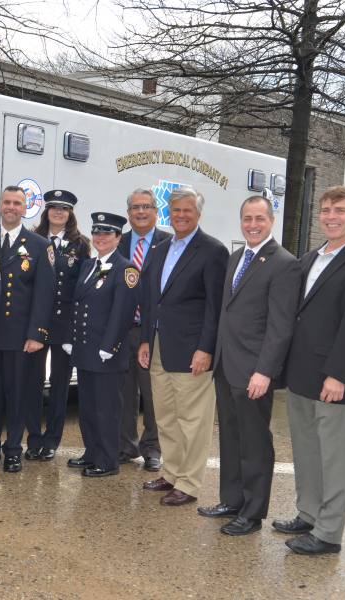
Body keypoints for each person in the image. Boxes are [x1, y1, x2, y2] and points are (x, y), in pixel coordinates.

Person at [273, 186, 345, 555]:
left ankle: (328, 533)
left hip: (332, 377)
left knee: (333, 457)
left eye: (339, 211)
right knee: (307, 450)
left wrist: (338, 374)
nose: (331, 216)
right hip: (301, 372)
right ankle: (309, 512)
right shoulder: (310, 258)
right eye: (326, 210)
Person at [198, 196, 300, 535]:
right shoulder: (236, 257)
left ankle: (253, 513)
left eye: (259, 218)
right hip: (227, 365)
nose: (252, 224)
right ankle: (232, 500)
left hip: (254, 370)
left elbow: (281, 326)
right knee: (229, 436)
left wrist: (265, 371)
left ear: (271, 221)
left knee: (255, 442)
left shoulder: (283, 263)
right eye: (246, 218)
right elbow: (227, 311)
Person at [138, 186, 228, 506]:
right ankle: (171, 472)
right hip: (161, 345)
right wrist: (146, 339)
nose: (181, 215)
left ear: (198, 214)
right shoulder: (161, 248)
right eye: (175, 210)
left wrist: (206, 349)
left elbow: (216, 308)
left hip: (193, 351)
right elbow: (152, 300)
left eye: (187, 210)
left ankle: (189, 484)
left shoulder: (213, 251)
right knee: (165, 415)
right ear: (168, 213)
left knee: (193, 420)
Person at [0, 186, 55, 473]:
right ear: (0, 204)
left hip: (19, 337)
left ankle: (13, 450)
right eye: (7, 201)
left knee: (17, 395)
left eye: (17, 203)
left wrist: (37, 333)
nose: (11, 207)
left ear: (25, 208)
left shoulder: (40, 245)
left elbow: (44, 294)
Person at [62, 212, 139, 476]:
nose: (100, 238)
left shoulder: (126, 269)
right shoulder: (87, 266)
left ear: (118, 238)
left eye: (107, 233)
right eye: (97, 233)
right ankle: (91, 452)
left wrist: (110, 345)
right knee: (88, 408)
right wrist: (70, 339)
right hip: (85, 350)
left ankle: (107, 461)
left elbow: (123, 311)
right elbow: (77, 305)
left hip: (106, 352)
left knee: (107, 410)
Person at [25, 190, 91, 461]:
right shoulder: (33, 239)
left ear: (70, 214)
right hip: (36, 322)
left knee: (60, 384)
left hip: (65, 324)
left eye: (64, 209)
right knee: (32, 382)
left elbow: (84, 287)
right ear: (46, 211)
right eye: (53, 208)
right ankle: (33, 438)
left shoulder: (81, 244)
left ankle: (52, 440)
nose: (58, 212)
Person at [116, 188, 171, 472]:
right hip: (122, 330)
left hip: (153, 332)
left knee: (152, 393)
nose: (140, 212)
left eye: (146, 207)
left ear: (155, 211)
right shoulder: (118, 242)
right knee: (124, 392)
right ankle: (126, 446)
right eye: (135, 207)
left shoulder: (169, 243)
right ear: (128, 213)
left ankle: (153, 449)